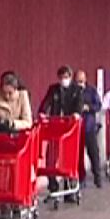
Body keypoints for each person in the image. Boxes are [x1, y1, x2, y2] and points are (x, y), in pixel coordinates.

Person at [39, 66, 84, 198]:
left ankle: (69, 187)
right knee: (51, 158)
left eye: (66, 77)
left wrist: (76, 114)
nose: (63, 80)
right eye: (61, 77)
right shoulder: (53, 89)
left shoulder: (77, 90)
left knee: (68, 158)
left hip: (70, 128)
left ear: (70, 77)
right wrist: (42, 112)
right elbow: (46, 102)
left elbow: (79, 105)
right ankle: (53, 186)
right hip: (55, 126)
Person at [75, 69, 104, 188]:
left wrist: (89, 107)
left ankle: (97, 177)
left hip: (89, 126)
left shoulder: (91, 91)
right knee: (78, 155)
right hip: (76, 128)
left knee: (94, 153)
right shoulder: (73, 91)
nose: (79, 83)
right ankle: (81, 179)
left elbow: (98, 105)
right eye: (77, 80)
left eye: (81, 80)